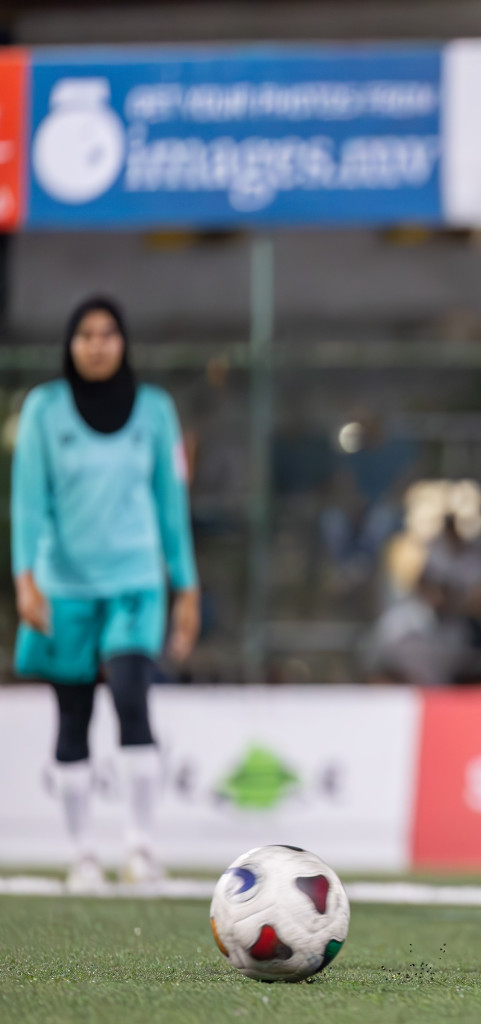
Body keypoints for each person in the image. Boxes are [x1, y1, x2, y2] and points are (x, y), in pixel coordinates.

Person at [11, 297, 200, 891]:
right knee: (72, 713)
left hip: (134, 584)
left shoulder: (155, 411)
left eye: (108, 333)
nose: (97, 344)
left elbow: (171, 504)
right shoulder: (43, 409)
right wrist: (24, 577)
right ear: (70, 344)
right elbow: (27, 500)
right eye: (85, 334)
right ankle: (81, 853)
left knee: (130, 694)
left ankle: (141, 847)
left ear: (124, 342)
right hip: (63, 586)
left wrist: (185, 586)